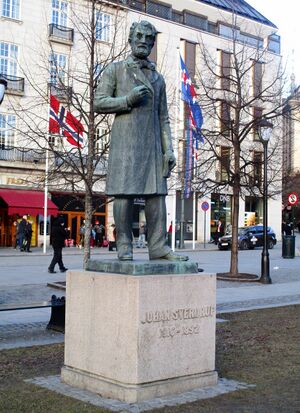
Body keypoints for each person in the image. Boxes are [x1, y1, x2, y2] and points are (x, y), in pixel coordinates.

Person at [94, 20, 188, 262]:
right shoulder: (115, 70)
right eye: (139, 36)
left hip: (153, 144)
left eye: (148, 38)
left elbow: (164, 117)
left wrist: (169, 150)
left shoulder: (158, 79)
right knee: (123, 194)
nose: (143, 41)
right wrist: (127, 100)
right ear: (130, 38)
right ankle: (124, 244)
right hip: (126, 141)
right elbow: (99, 102)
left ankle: (157, 246)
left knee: (157, 195)